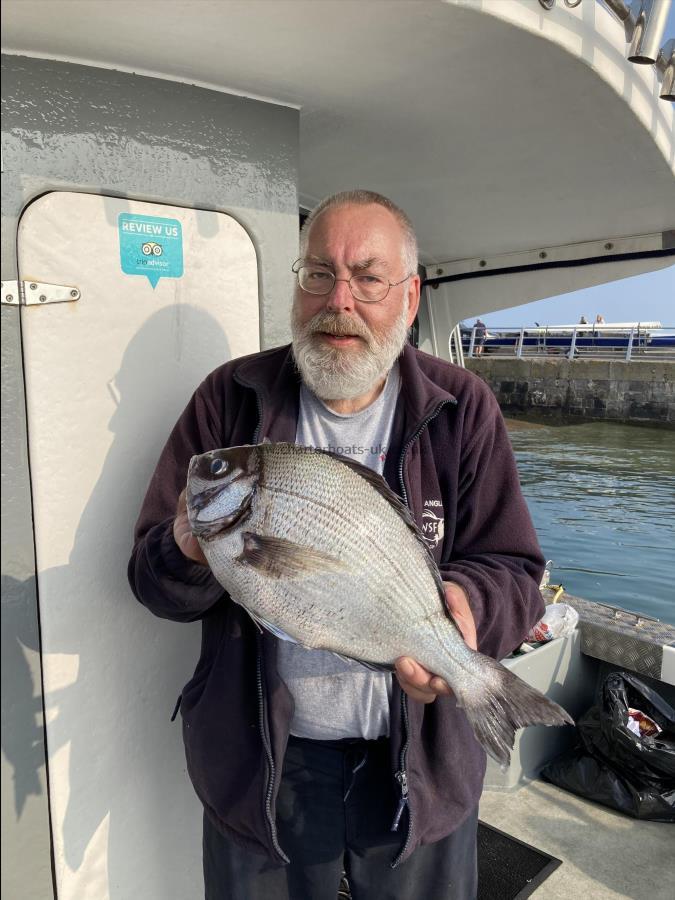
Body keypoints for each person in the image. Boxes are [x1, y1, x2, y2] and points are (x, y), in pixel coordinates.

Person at [128, 190, 546, 900]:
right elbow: (152, 583)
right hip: (265, 768)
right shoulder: (227, 399)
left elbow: (512, 567)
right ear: (296, 287)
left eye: (368, 277)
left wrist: (466, 609)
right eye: (318, 273)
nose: (339, 300)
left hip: (422, 763)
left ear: (409, 297)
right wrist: (188, 548)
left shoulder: (461, 405)